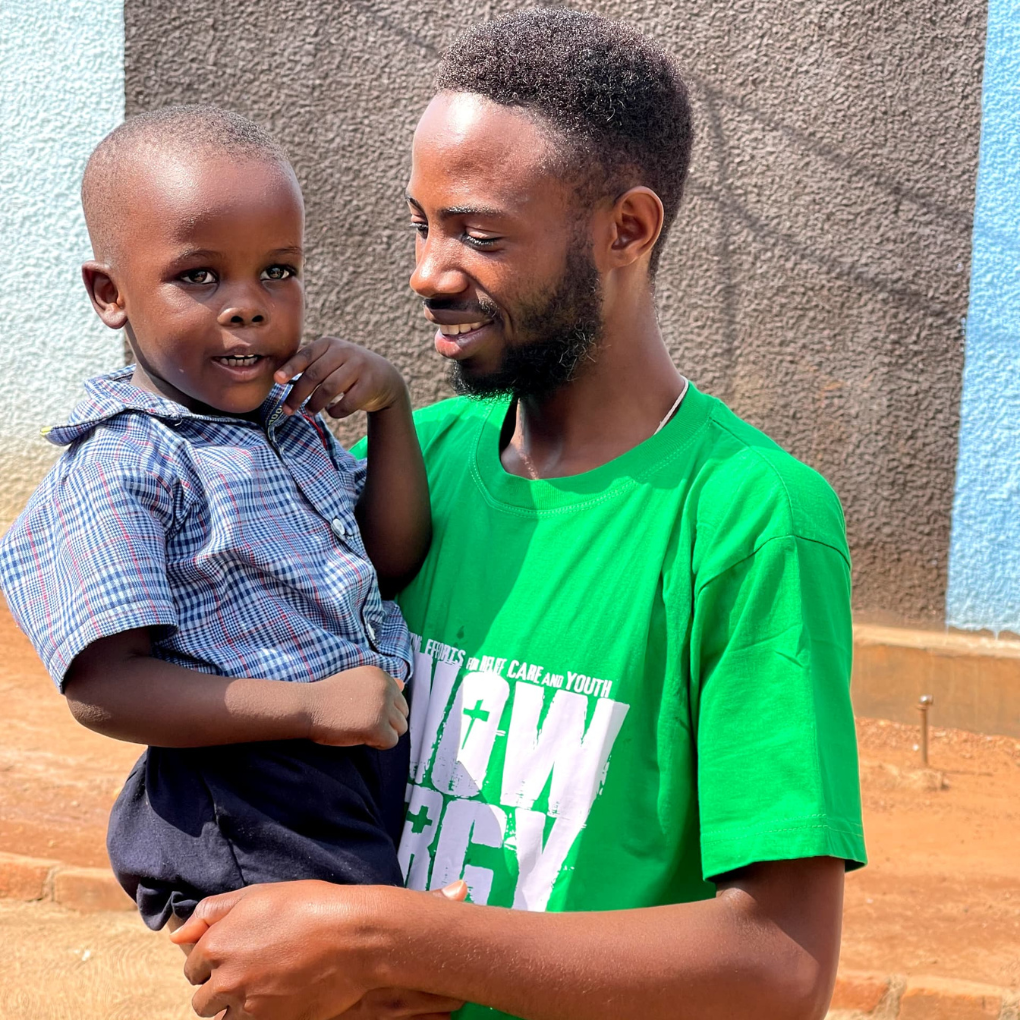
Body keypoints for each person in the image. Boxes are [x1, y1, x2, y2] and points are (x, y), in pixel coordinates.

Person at [171, 8, 866, 1020]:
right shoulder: (411, 465)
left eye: (480, 235)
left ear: (627, 230)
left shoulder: (748, 517)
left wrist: (385, 939)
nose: (426, 272)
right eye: (421, 223)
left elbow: (781, 966)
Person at [0, 107, 432, 932]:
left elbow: (392, 558)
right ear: (110, 295)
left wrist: (390, 407)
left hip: (350, 766)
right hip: (249, 790)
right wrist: (309, 707)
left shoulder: (290, 422)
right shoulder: (127, 462)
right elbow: (104, 688)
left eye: (278, 270)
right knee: (357, 972)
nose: (248, 307)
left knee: (372, 967)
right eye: (200, 276)